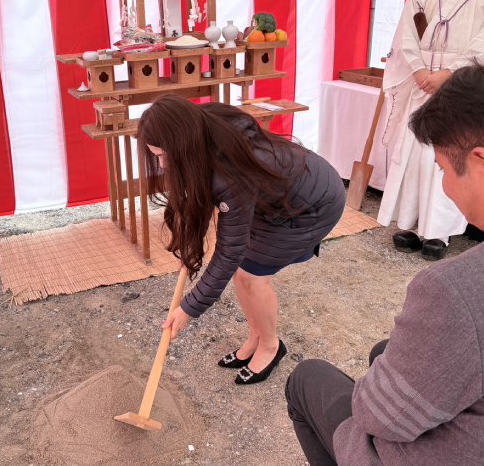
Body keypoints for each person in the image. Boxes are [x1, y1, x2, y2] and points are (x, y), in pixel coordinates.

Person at [285, 53, 484, 465]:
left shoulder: (461, 289)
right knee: (385, 353)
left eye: (444, 170)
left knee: (308, 379)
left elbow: (377, 415)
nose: (445, 186)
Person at [136, 95, 345, 385]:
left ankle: (270, 346)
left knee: (253, 276)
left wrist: (189, 307)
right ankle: (255, 337)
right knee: (241, 273)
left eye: (164, 155)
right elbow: (203, 198)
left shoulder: (231, 172)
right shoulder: (200, 131)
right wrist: (190, 244)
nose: (162, 165)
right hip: (272, 199)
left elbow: (229, 250)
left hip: (310, 205)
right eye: (156, 156)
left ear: (182, 143)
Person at [378, 0, 484, 260]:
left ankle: (439, 231)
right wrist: (418, 68)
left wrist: (451, 72)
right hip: (422, 77)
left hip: (470, 82)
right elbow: (408, 29)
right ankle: (410, 223)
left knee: (453, 154)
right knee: (416, 153)